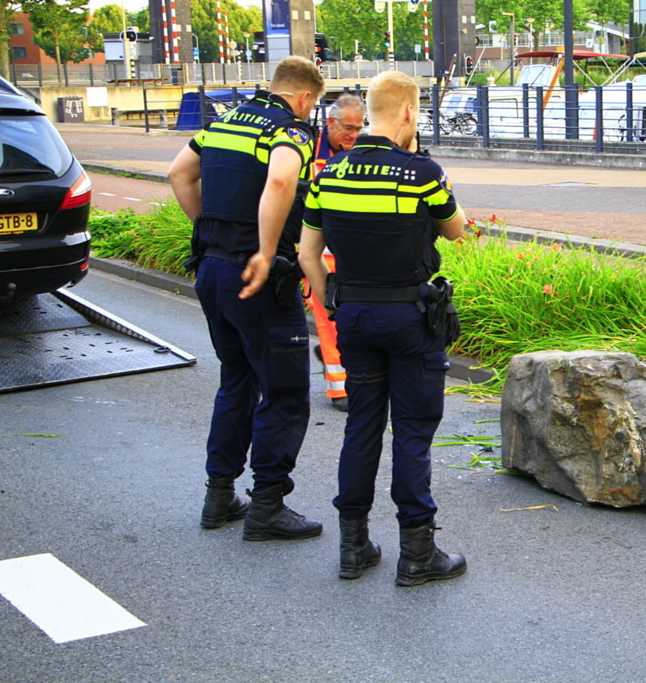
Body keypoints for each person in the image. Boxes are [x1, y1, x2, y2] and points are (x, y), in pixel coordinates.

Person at [299, 70, 467, 586]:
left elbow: (308, 253)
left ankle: (354, 547)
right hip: (411, 321)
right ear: (411, 114)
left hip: (354, 316)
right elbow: (457, 231)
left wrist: (336, 302)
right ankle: (417, 553)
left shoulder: (329, 175)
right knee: (412, 434)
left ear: (368, 112)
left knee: (362, 426)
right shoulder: (423, 173)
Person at [168, 56, 325, 542]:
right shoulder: (290, 129)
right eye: (313, 104)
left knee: (236, 380)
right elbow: (281, 180)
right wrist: (261, 250)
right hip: (257, 278)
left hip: (212, 269)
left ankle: (219, 496)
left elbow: (179, 174)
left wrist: (207, 233)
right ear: (304, 98)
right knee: (283, 390)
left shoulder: (223, 122)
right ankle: (268, 506)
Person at [307, 95, 366, 411]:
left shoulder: (359, 154)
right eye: (347, 128)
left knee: (340, 321)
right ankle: (339, 389)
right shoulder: (305, 153)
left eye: (358, 128)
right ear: (330, 122)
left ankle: (343, 375)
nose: (353, 135)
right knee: (329, 320)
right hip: (317, 255)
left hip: (348, 255)